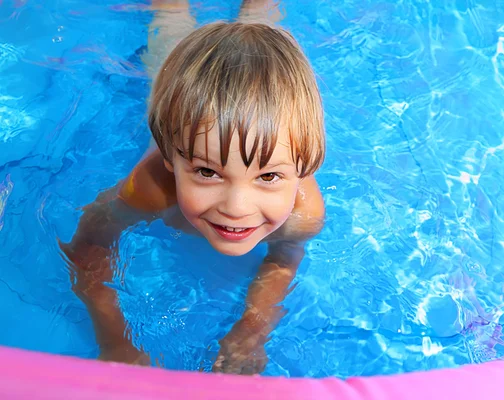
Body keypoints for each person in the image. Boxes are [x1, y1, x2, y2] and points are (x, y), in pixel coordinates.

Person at [60, 0, 325, 375]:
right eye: (207, 172)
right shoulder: (151, 189)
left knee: (262, 18)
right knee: (169, 29)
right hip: (177, 89)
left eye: (268, 176)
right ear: (170, 157)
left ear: (306, 165)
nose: (237, 207)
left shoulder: (303, 214)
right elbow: (89, 244)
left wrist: (251, 332)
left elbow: (284, 257)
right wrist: (115, 340)